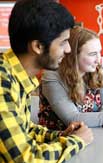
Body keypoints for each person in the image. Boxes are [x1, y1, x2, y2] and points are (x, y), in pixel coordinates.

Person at [0, 0, 93, 162]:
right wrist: (77, 141)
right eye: (63, 42)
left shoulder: (15, 73)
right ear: (38, 46)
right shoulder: (2, 81)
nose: (68, 50)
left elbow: (23, 129)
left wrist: (61, 135)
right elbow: (25, 158)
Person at [38, 26, 103, 130]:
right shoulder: (51, 76)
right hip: (59, 140)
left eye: (99, 52)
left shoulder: (96, 70)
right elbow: (72, 118)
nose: (98, 60)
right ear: (73, 57)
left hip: (92, 134)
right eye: (92, 54)